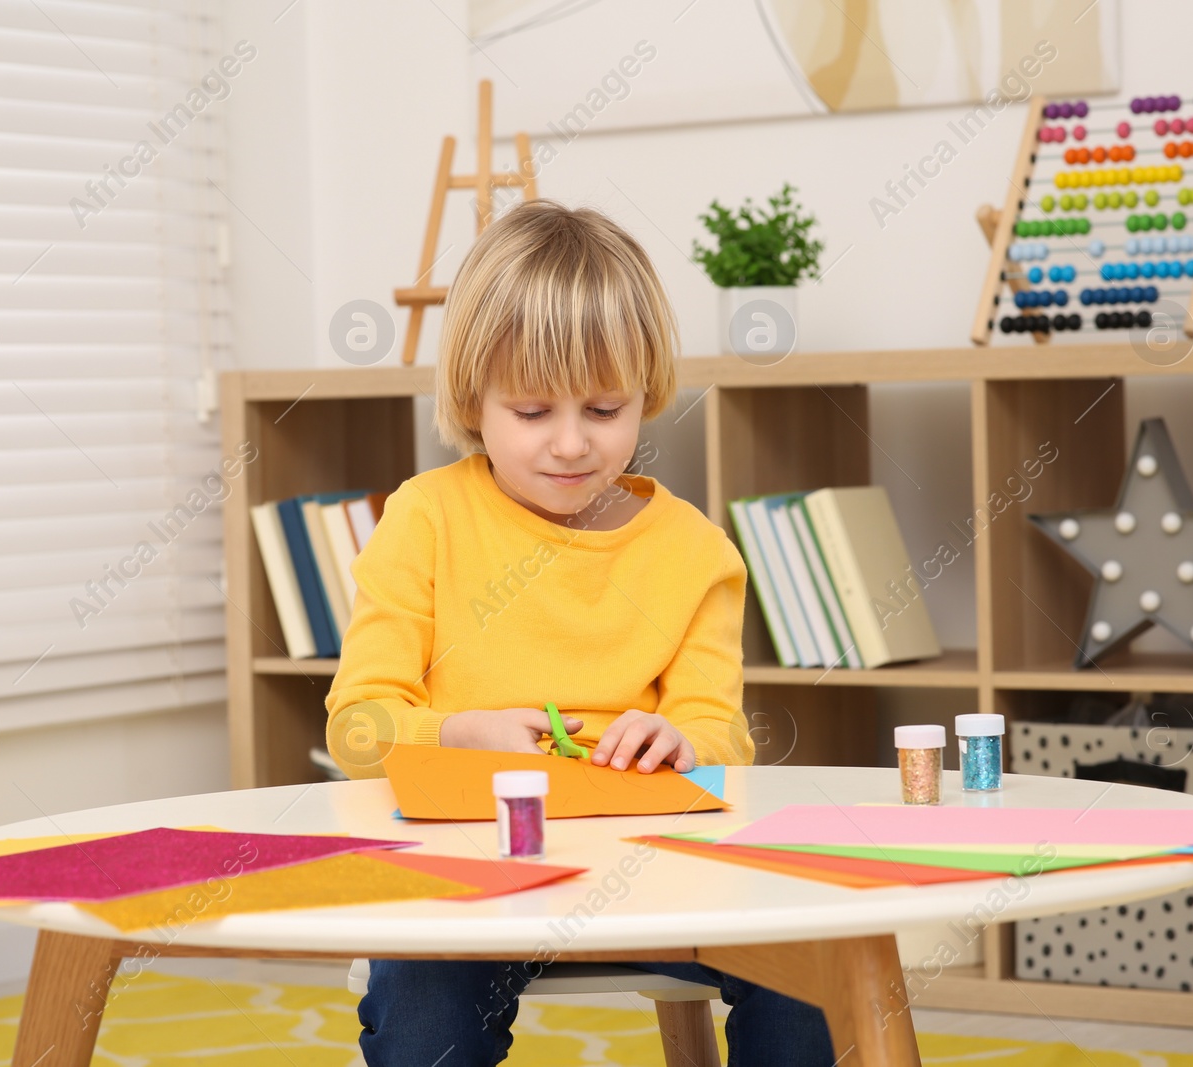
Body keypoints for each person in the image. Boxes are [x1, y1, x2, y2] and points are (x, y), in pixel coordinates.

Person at [324, 198, 835, 1065]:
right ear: (473, 397)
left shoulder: (696, 552)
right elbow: (357, 726)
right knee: (421, 1016)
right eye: (531, 412)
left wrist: (680, 741)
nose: (571, 444)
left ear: (646, 394)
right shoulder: (426, 519)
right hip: (471, 885)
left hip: (659, 878)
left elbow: (723, 739)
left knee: (812, 960)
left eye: (604, 409)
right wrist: (461, 733)